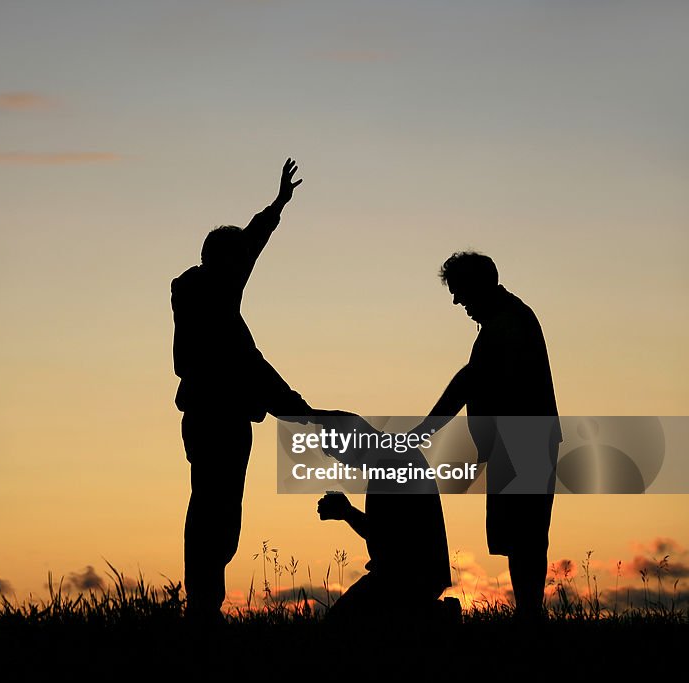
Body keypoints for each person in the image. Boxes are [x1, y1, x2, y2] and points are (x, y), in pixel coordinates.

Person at [172, 158, 314, 623]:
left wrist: (276, 205)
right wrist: (291, 406)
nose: (245, 267)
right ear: (219, 261)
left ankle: (204, 603)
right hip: (216, 414)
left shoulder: (211, 287)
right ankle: (203, 607)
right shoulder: (205, 298)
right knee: (214, 509)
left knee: (220, 507)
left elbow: (250, 242)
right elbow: (245, 365)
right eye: (237, 262)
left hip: (224, 413)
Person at [412, 252, 561, 621]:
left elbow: (470, 381)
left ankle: (529, 615)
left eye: (460, 291)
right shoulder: (504, 321)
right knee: (521, 537)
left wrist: (423, 432)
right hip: (521, 443)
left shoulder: (506, 326)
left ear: (480, 285)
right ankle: (529, 614)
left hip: (522, 444)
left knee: (524, 537)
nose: (456, 301)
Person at [314, 412, 454, 627]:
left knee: (339, 623)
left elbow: (386, 536)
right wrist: (346, 512)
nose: (345, 464)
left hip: (406, 578)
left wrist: (346, 512)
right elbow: (387, 531)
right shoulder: (393, 456)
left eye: (341, 454)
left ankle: (435, 616)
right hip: (411, 575)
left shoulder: (391, 463)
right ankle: (430, 614)